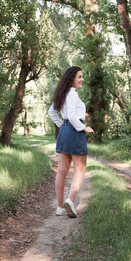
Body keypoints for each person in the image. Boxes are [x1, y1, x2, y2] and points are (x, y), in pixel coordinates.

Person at [48, 66, 94, 218]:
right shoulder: (73, 95)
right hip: (75, 131)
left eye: (82, 76)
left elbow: (52, 112)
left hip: (65, 131)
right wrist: (83, 128)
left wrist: (63, 126)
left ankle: (60, 207)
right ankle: (70, 200)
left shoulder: (63, 94)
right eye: (79, 77)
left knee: (62, 170)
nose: (82, 79)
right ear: (71, 78)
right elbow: (74, 116)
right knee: (80, 170)